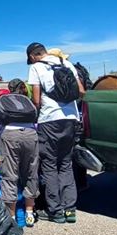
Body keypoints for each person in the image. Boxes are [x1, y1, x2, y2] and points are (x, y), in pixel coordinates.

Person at [26, 42, 85, 224]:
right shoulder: (66, 64)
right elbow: (81, 91)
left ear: (33, 56)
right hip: (71, 119)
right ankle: (70, 210)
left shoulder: (36, 67)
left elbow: (36, 100)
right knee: (66, 164)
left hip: (49, 121)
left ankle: (55, 211)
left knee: (50, 165)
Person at [0, 93, 39, 227]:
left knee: (9, 174)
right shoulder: (25, 101)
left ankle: (12, 216)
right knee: (31, 172)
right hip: (31, 133)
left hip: (10, 134)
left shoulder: (2, 102)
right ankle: (29, 212)